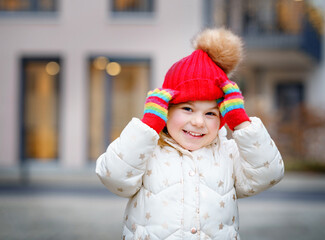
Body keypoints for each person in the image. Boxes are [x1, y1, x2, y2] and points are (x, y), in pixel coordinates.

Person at [96, 28, 284, 240]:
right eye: (187, 109)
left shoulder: (227, 153)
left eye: (211, 113)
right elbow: (113, 177)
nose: (198, 121)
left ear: (224, 116)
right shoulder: (147, 151)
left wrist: (241, 123)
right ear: (165, 111)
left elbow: (269, 174)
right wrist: (148, 127)